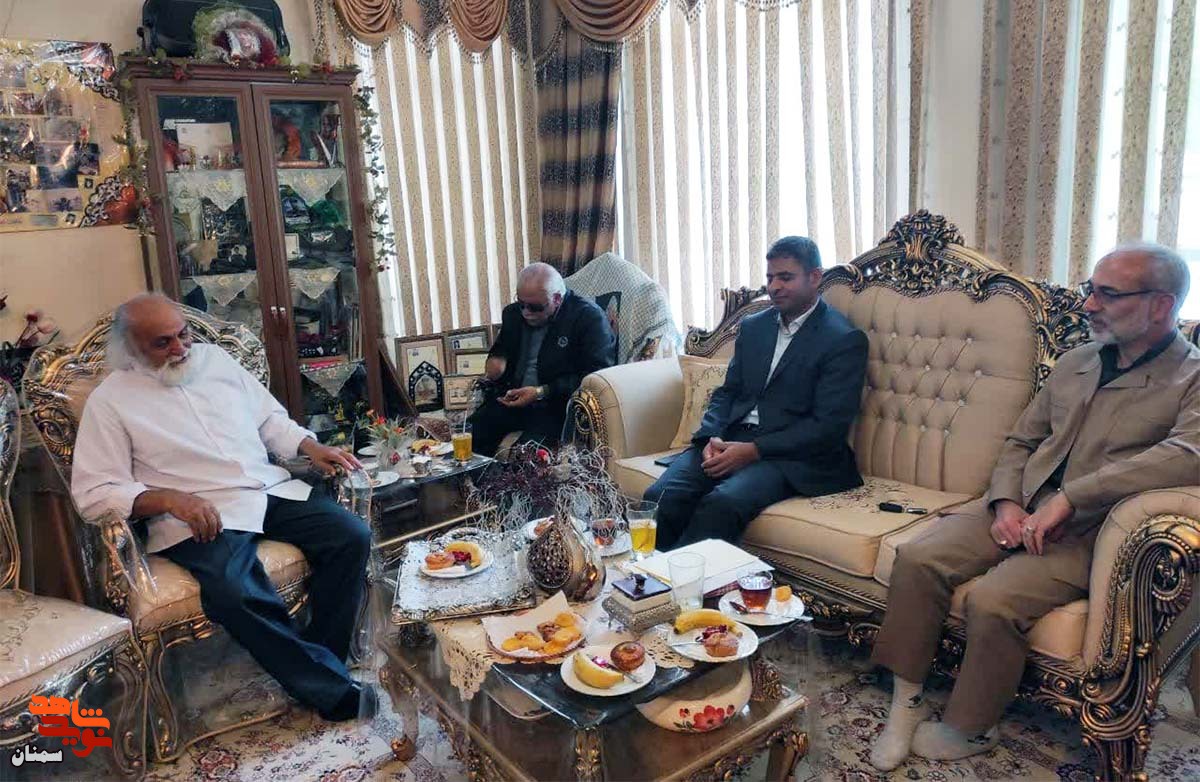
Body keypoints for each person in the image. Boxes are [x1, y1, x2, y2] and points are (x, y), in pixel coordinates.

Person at [868, 244, 1200, 771]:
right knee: (918, 558)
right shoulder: (1078, 361)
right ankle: (905, 703)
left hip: (1091, 530)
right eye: (1090, 289)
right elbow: (1021, 440)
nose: (1088, 304)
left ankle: (970, 727)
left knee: (994, 601)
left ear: (1161, 305)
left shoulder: (1191, 377)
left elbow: (1188, 455)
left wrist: (1073, 497)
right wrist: (1005, 503)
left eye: (1107, 294)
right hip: (1020, 504)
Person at [71, 294, 374, 722]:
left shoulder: (215, 360)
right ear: (130, 347)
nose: (180, 348)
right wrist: (168, 498)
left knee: (350, 536)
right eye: (163, 343)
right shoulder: (110, 401)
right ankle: (331, 690)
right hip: (197, 514)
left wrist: (309, 445)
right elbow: (94, 492)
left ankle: (320, 671)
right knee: (235, 591)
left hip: (264, 487)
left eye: (183, 335)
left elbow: (269, 419)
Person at [644, 236, 869, 549]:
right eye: (770, 277)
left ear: (815, 277)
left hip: (790, 456)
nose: (774, 286)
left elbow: (827, 427)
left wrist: (754, 450)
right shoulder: (754, 327)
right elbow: (727, 393)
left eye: (785, 277)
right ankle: (653, 576)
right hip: (730, 438)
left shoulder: (842, 339)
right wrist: (711, 437)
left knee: (722, 503)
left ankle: (681, 577)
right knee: (660, 497)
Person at [468, 262, 616, 456]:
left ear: (557, 299)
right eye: (521, 304)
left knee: (526, 457)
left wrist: (541, 391)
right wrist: (496, 362)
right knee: (466, 439)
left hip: (556, 406)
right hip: (511, 400)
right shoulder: (512, 314)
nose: (526, 312)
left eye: (535, 307)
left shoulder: (588, 318)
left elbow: (596, 377)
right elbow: (501, 351)